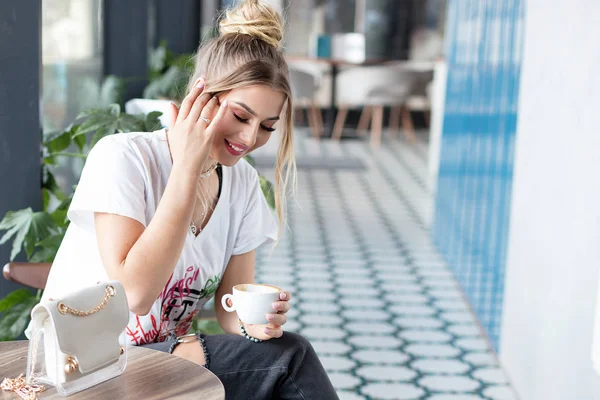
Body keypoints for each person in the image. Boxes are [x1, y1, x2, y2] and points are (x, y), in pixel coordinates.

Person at [29, 1, 339, 399]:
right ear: (201, 95)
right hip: (76, 366)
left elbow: (230, 311)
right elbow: (136, 295)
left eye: (266, 127)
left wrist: (255, 325)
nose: (248, 139)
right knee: (291, 360)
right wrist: (186, 170)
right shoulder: (124, 157)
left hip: (155, 361)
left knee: (282, 352)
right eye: (241, 117)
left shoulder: (241, 183)